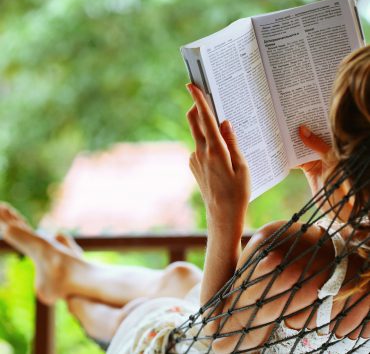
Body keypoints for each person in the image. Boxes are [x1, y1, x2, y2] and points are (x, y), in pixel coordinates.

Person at [1, 45, 370, 353]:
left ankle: (70, 285)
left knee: (146, 308)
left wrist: (222, 209)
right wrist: (336, 201)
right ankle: (64, 271)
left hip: (177, 345)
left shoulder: (285, 256)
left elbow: (211, 343)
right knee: (180, 277)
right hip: (238, 317)